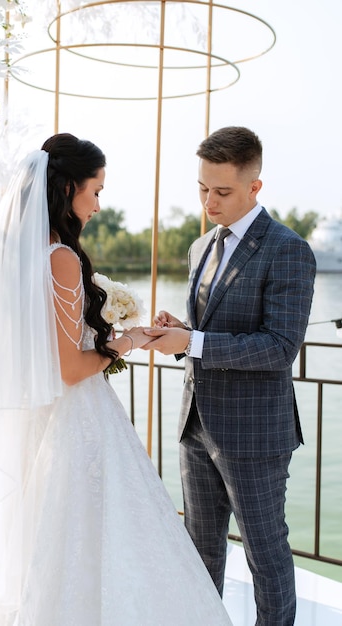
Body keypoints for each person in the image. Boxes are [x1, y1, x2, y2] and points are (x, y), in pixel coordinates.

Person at [0, 133, 232, 625]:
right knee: (95, 538)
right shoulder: (61, 260)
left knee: (42, 542)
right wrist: (129, 340)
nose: (97, 205)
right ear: (67, 189)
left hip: (32, 421)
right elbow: (70, 370)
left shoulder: (15, 258)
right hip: (75, 424)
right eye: (96, 191)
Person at [143, 126, 316, 625]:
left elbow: (280, 348)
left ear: (254, 187)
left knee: (266, 553)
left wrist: (193, 342)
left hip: (255, 433)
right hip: (195, 424)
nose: (208, 201)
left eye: (221, 191)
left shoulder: (287, 249)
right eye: (202, 188)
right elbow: (210, 330)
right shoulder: (200, 248)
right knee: (200, 548)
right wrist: (182, 331)